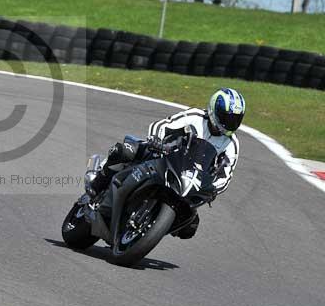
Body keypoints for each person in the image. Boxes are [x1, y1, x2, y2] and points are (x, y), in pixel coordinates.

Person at [87, 88, 245, 239]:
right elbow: (162, 125)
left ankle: (147, 227)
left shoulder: (231, 143)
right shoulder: (196, 116)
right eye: (227, 117)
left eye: (235, 119)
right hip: (163, 155)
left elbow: (226, 176)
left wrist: (213, 189)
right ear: (214, 110)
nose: (230, 123)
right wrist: (156, 139)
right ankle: (97, 182)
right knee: (126, 150)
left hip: (189, 181)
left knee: (190, 226)